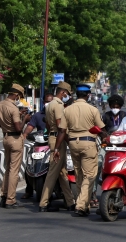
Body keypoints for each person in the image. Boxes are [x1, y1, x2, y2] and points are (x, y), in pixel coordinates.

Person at [53, 84, 107, 217]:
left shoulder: (67, 110)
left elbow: (61, 130)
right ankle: (81, 205)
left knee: (79, 175)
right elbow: (101, 129)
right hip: (88, 143)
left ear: (76, 95)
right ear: (88, 95)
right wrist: (106, 138)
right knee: (90, 175)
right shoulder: (92, 110)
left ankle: (85, 204)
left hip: (72, 143)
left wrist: (56, 148)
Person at [39, 82, 75, 212]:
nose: (68, 96)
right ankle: (43, 203)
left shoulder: (49, 105)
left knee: (62, 172)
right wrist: (68, 141)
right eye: (67, 94)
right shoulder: (59, 106)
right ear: (63, 92)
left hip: (53, 137)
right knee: (53, 172)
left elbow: (48, 125)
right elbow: (61, 128)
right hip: (58, 141)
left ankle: (70, 202)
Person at [0, 84, 31, 209]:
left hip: (5, 138)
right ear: (16, 95)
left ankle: (3, 196)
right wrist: (25, 119)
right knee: (14, 171)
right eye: (19, 96)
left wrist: (19, 115)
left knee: (8, 168)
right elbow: (18, 128)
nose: (18, 99)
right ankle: (10, 200)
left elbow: (0, 124)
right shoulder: (13, 109)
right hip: (15, 139)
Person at [21, 93, 54, 199]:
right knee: (29, 163)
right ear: (43, 102)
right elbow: (30, 126)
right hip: (40, 144)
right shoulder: (37, 115)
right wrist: (25, 135)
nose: (48, 104)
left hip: (53, 144)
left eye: (50, 102)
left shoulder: (57, 114)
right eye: (46, 102)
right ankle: (29, 190)